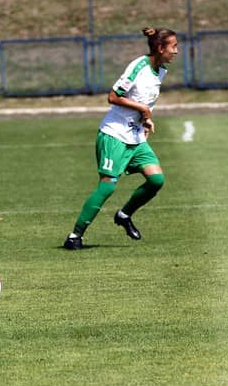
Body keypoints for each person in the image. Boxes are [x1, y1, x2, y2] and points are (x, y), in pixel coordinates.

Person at [63, 27, 179, 250]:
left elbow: (144, 101)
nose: (176, 51)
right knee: (107, 187)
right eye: (173, 47)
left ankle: (124, 215)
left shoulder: (161, 71)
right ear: (160, 48)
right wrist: (143, 110)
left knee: (156, 180)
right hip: (114, 135)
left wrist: (146, 119)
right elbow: (113, 96)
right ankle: (74, 236)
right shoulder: (138, 66)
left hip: (135, 136)